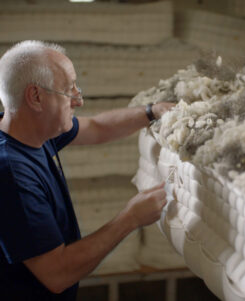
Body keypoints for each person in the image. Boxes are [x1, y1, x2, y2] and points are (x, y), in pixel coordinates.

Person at [0, 40, 174, 300]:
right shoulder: (10, 174)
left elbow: (96, 127)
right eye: (69, 90)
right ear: (36, 97)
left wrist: (151, 112)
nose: (79, 99)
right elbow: (57, 274)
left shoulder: (29, 129)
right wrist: (130, 218)